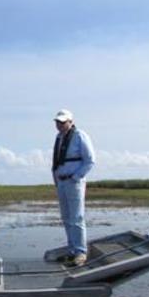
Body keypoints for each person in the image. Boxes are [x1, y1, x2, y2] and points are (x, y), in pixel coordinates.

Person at [51, 109, 95, 266]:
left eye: (63, 122)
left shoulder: (80, 135)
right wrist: (56, 179)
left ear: (70, 121)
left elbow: (90, 160)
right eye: (58, 122)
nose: (60, 125)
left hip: (74, 182)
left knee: (76, 217)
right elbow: (56, 161)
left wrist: (76, 177)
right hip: (61, 182)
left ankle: (80, 252)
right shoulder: (59, 138)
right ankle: (71, 250)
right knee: (66, 217)